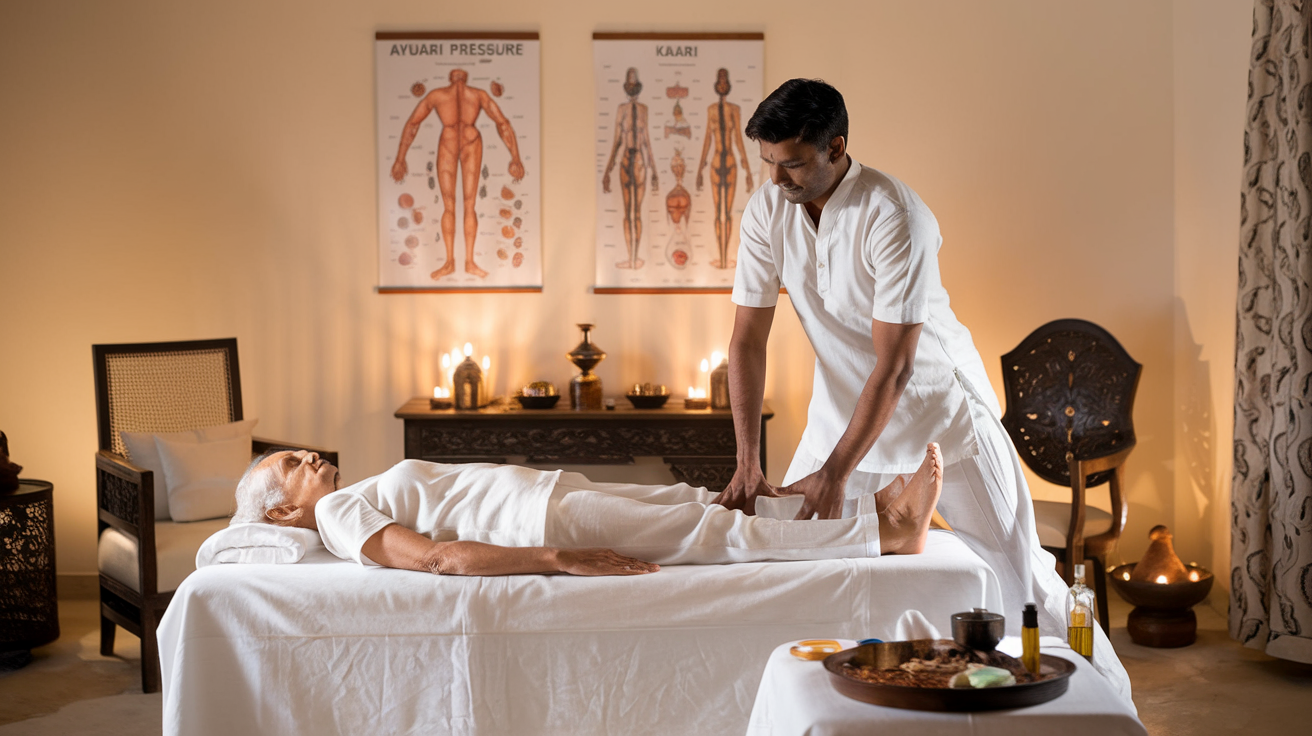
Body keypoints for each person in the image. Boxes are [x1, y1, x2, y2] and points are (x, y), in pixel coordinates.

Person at [715, 78, 1133, 702]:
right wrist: (748, 461)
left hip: (941, 418)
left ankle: (1112, 707)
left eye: (793, 163)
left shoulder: (894, 213)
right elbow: (748, 339)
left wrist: (835, 474)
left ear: (836, 146)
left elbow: (896, 366)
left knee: (1023, 583)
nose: (777, 179)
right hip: (840, 420)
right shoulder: (766, 209)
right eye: (769, 162)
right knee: (804, 575)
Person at [230, 445, 943, 576]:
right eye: (289, 466)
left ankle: (862, 510)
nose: (307, 457)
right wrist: (557, 559)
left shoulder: (347, 497)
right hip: (542, 525)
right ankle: (883, 534)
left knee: (692, 500)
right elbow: (438, 559)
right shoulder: (338, 514)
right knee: (707, 529)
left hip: (546, 497)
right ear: (284, 516)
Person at [391, 68, 525, 280]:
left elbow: (503, 123)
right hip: (458, 143)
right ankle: (453, 262)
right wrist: (400, 158)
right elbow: (503, 123)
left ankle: (465, 262)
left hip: (462, 143)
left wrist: (516, 157)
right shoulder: (472, 95)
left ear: (451, 77)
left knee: (461, 205)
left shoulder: (442, 95)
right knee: (457, 205)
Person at [695, 68, 754, 269]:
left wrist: (747, 170)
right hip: (714, 164)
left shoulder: (734, 110)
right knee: (717, 212)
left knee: (727, 212)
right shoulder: (711, 110)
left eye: (724, 80)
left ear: (727, 84)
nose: (721, 84)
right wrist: (699, 170)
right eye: (719, 80)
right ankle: (720, 258)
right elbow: (707, 139)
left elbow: (738, 139)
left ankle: (725, 257)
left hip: (729, 163)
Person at [602, 68, 658, 270]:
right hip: (626, 160)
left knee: (637, 212)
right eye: (630, 83)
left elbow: (646, 140)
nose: (632, 87)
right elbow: (617, 140)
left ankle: (635, 258)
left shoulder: (643, 109)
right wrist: (608, 170)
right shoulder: (622, 109)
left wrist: (654, 171)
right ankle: (630, 257)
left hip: (640, 162)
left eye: (635, 83)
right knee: (628, 212)